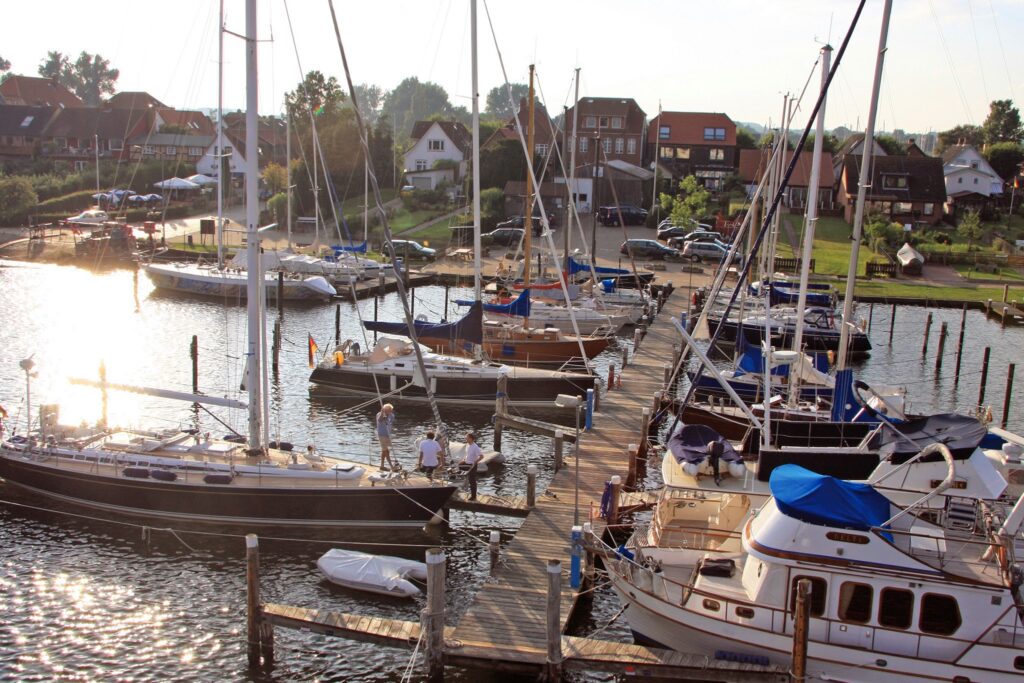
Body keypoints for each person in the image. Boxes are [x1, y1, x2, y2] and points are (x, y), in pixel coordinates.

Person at [460, 432, 483, 501]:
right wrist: (463, 460)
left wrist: (475, 462)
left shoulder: (475, 447)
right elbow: (468, 454)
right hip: (466, 463)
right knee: (458, 466)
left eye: (467, 438)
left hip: (472, 465)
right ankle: (461, 480)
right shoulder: (468, 445)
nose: (466, 439)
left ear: (471, 439)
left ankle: (473, 496)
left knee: (472, 480)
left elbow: (481, 456)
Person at [376, 403, 395, 470]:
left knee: (384, 451)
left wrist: (387, 417)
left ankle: (382, 465)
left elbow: (390, 423)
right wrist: (382, 413)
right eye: (387, 410)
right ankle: (391, 466)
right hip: (381, 435)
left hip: (388, 435)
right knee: (386, 451)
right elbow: (379, 420)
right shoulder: (379, 414)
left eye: (390, 410)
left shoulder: (391, 415)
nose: (388, 412)